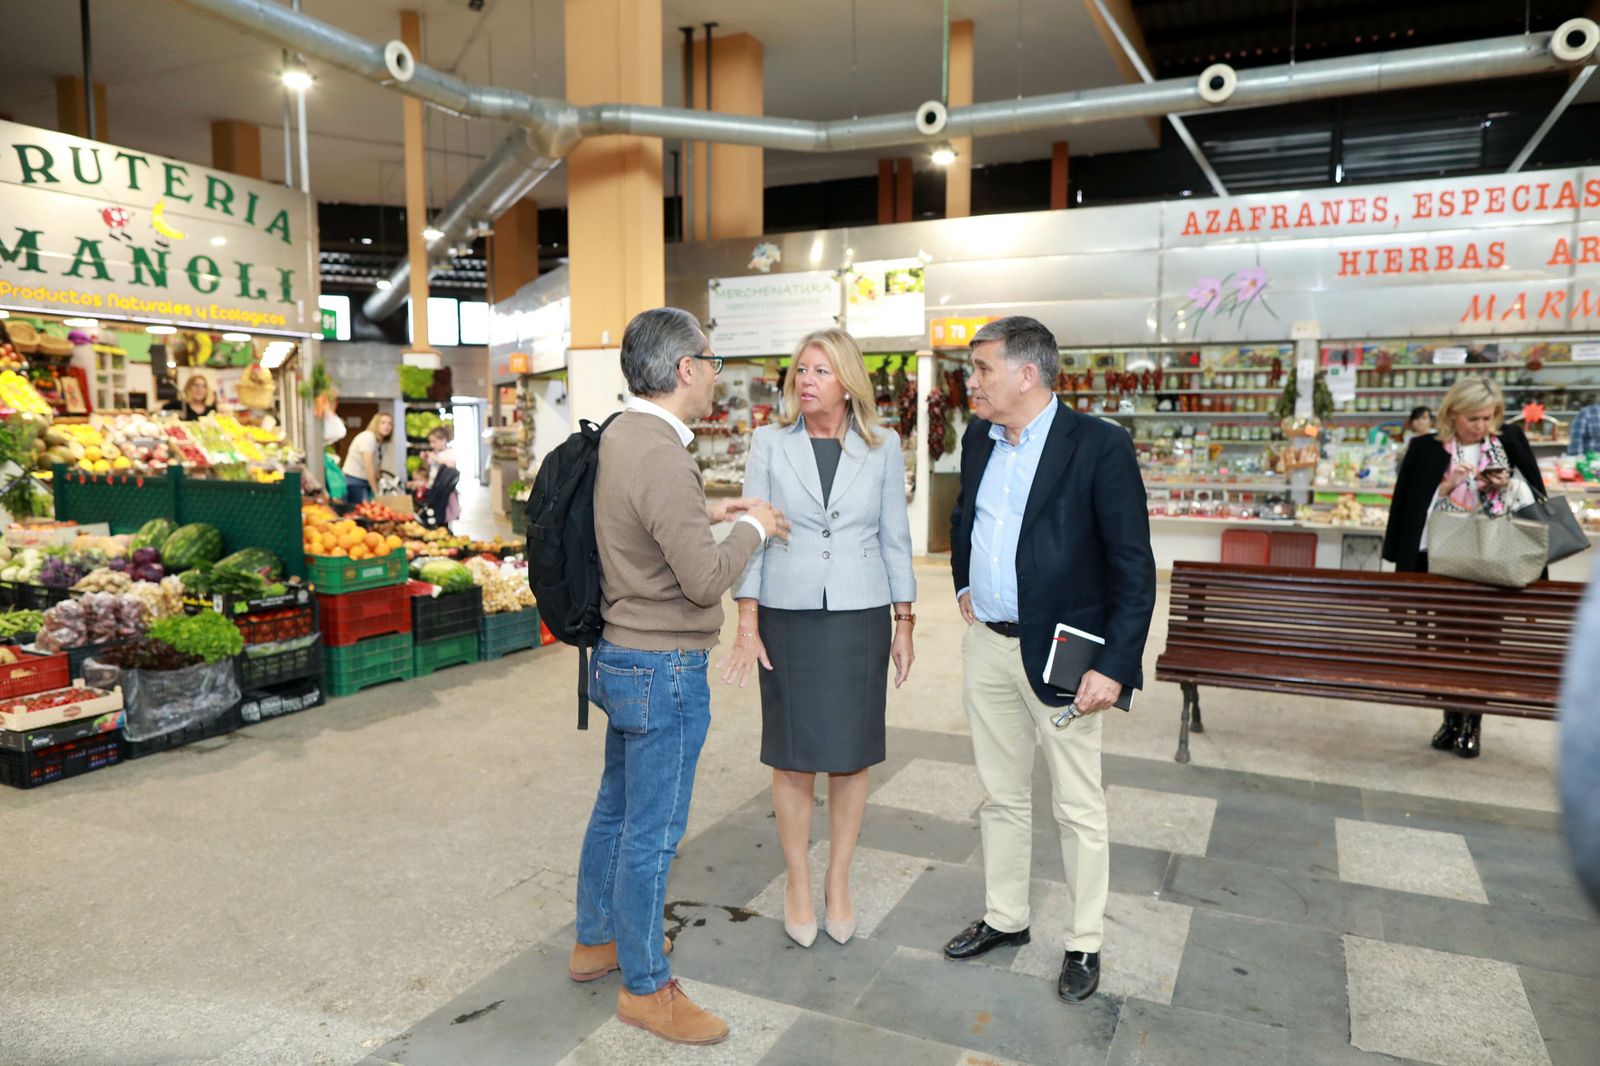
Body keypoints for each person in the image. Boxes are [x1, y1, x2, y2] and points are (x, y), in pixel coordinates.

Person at [569, 308, 787, 1047]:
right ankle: (646, 986)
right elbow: (702, 580)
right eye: (713, 359)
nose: (716, 373)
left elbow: (644, 526)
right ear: (685, 368)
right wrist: (754, 529)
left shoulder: (621, 435)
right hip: (663, 667)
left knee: (616, 810)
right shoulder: (661, 452)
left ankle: (595, 939)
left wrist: (714, 508)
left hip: (621, 657)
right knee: (653, 835)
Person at [940, 316, 1156, 1006]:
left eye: (981, 370)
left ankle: (1085, 939)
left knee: (1076, 804)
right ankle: (1007, 917)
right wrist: (966, 585)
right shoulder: (979, 437)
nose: (970, 382)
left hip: (1066, 657)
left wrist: (1115, 664)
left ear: (1025, 374)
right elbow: (963, 519)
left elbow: (1132, 566)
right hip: (989, 646)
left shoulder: (1098, 446)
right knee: (999, 793)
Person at [720, 328, 917, 949]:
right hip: (789, 612)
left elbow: (894, 537)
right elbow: (753, 531)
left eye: (821, 371)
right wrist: (746, 618)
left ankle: (839, 880)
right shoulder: (769, 444)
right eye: (801, 370)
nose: (806, 381)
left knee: (851, 754)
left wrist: (904, 620)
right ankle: (798, 881)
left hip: (859, 614)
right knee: (793, 753)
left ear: (847, 380)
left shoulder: (882, 447)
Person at [1382, 375, 1545, 759]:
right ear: (1452, 413)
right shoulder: (1426, 449)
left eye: (1488, 417)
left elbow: (1535, 499)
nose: (1482, 426)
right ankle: (1451, 717)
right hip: (1443, 561)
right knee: (1448, 644)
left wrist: (1506, 486)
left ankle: (1474, 722)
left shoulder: (1508, 442)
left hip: (1495, 560)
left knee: (1486, 645)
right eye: (1473, 418)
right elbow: (1406, 509)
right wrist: (1444, 488)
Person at [411, 426, 460, 529]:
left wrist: (436, 458)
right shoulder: (435, 453)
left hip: (443, 489)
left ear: (444, 440)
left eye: (434, 442)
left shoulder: (449, 453)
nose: (431, 445)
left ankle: (443, 527)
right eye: (430, 442)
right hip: (432, 487)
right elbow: (428, 468)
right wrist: (425, 459)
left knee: (442, 512)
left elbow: (451, 465)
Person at [341, 413, 393, 506]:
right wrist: (376, 491)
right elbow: (368, 466)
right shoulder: (368, 438)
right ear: (375, 424)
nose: (387, 426)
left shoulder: (378, 442)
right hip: (355, 482)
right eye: (383, 423)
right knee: (358, 514)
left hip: (362, 483)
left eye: (390, 423)